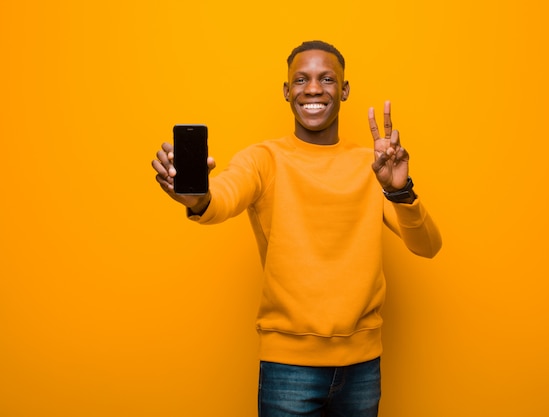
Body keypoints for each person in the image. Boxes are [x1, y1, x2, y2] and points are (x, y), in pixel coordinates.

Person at [152, 40, 442, 417]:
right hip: (287, 369)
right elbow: (223, 197)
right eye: (301, 79)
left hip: (363, 366)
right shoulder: (263, 160)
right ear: (287, 92)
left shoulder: (373, 166)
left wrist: (400, 189)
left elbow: (428, 246)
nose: (314, 89)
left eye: (327, 79)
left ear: (345, 90)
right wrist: (197, 198)